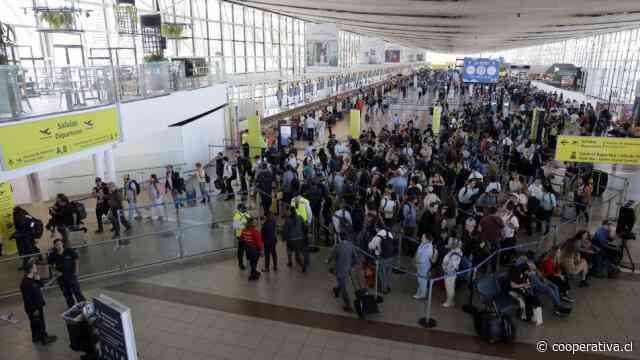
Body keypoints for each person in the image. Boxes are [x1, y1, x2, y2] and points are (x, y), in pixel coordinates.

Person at [20, 261, 57, 345]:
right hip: (33, 307)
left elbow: (42, 285)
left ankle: (36, 337)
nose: (36, 268)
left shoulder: (33, 278)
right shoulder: (25, 283)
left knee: (35, 323)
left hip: (38, 304)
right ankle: (44, 338)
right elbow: (27, 298)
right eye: (35, 267)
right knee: (39, 323)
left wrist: (38, 279)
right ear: (31, 269)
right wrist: (34, 309)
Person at [47, 239, 86, 308]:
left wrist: (76, 271)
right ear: (54, 246)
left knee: (77, 291)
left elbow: (76, 259)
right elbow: (50, 265)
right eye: (56, 245)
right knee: (67, 294)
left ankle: (83, 305)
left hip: (71, 276)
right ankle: (72, 307)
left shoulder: (69, 251)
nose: (58, 246)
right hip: (61, 279)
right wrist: (55, 271)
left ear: (62, 244)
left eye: (59, 244)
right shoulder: (53, 254)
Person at [509, 258, 543, 326]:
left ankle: (535, 317)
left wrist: (527, 285)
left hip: (524, 288)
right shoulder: (516, 272)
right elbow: (512, 285)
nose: (529, 272)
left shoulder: (525, 271)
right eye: (528, 271)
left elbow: (528, 279)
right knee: (529, 297)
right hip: (515, 289)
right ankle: (530, 316)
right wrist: (523, 285)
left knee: (532, 298)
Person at [329, 236, 358, 313]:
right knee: (341, 281)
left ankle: (348, 306)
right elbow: (356, 258)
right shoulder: (351, 245)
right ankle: (337, 290)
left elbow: (331, 257)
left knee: (343, 287)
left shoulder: (337, 247)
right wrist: (351, 265)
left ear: (339, 238)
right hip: (347, 269)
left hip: (339, 270)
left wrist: (327, 261)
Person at [368, 225, 394, 294]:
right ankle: (389, 286)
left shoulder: (377, 237)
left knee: (382, 274)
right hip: (391, 256)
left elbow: (371, 246)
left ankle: (384, 289)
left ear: (377, 229)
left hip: (382, 257)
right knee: (388, 273)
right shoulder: (389, 234)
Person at [283, 205, 309, 272]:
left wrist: (285, 238)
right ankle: (303, 265)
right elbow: (305, 226)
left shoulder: (287, 220)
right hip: (300, 237)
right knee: (299, 252)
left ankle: (290, 262)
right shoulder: (300, 217)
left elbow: (285, 230)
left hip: (291, 238)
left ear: (290, 212)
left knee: (289, 250)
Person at [442, 238, 463, 308]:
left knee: (449, 288)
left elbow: (453, 264)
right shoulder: (456, 251)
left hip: (450, 272)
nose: (448, 243)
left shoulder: (455, 253)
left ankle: (449, 302)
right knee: (451, 287)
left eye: (450, 242)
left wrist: (446, 268)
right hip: (450, 272)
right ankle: (451, 301)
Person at [414, 234, 434, 300]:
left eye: (423, 237)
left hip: (424, 266)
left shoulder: (429, 248)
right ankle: (420, 292)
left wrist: (417, 261)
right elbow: (418, 252)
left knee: (423, 280)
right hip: (420, 265)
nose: (421, 238)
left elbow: (423, 259)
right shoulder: (423, 244)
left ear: (427, 239)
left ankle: (422, 294)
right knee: (420, 280)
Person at [233, 203, 250, 270]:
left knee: (248, 247)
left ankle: (248, 257)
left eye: (244, 208)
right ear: (239, 209)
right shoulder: (236, 216)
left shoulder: (246, 214)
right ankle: (240, 263)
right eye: (243, 208)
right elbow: (236, 226)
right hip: (240, 235)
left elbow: (250, 221)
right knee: (241, 250)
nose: (244, 209)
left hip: (247, 234)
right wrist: (244, 225)